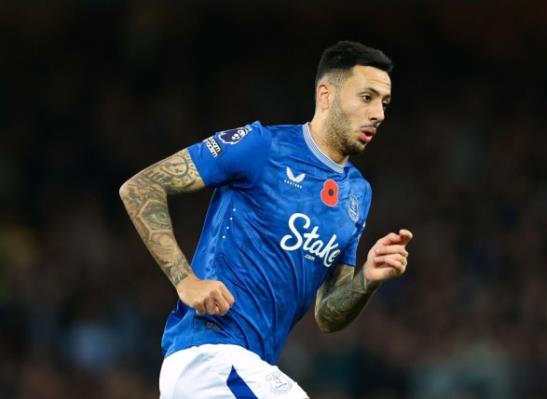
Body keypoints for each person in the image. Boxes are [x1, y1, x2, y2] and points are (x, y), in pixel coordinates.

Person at [119, 40, 413, 399]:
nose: (379, 114)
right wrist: (186, 281)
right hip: (208, 357)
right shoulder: (262, 146)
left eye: (384, 103)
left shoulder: (357, 194)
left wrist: (367, 279)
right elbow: (141, 187)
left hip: (247, 369)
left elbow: (327, 313)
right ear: (326, 95)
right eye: (367, 97)